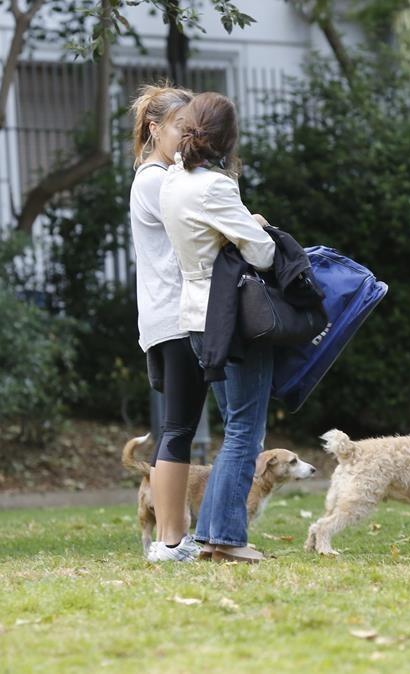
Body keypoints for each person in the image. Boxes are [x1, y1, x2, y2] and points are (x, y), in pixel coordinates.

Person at [160, 92, 277, 564]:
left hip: (194, 317)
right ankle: (226, 538)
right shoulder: (214, 187)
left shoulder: (171, 180)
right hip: (232, 317)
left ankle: (213, 533)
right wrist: (255, 223)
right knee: (246, 428)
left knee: (235, 426)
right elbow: (262, 253)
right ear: (228, 138)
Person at [128, 84, 207, 563]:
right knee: (178, 429)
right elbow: (197, 236)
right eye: (181, 127)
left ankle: (174, 538)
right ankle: (171, 541)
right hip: (175, 318)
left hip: (165, 317)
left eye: (193, 127)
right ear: (155, 129)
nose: (188, 137)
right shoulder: (156, 180)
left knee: (179, 426)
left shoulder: (159, 176)